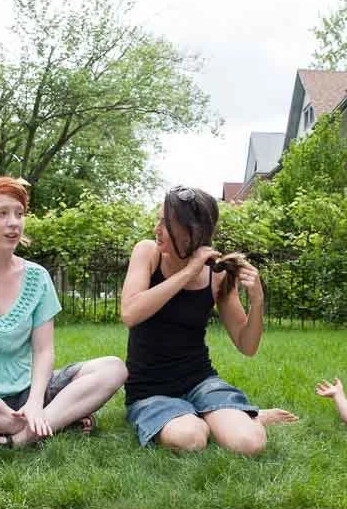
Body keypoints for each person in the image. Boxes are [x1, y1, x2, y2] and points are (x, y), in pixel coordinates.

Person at [0, 176, 127, 448]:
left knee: (113, 368)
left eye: (19, 214)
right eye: (2, 213)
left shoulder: (37, 277)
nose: (14, 222)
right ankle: (51, 422)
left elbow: (43, 351)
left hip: (29, 389)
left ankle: (20, 438)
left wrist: (34, 400)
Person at [120, 185, 298, 455]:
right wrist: (190, 270)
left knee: (249, 444)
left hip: (200, 382)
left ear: (191, 232)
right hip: (150, 390)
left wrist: (258, 302)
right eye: (157, 220)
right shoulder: (148, 253)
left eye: (165, 223)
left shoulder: (216, 274)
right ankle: (218, 417)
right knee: (190, 440)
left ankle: (227, 417)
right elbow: (130, 313)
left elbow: (246, 345)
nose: (156, 228)